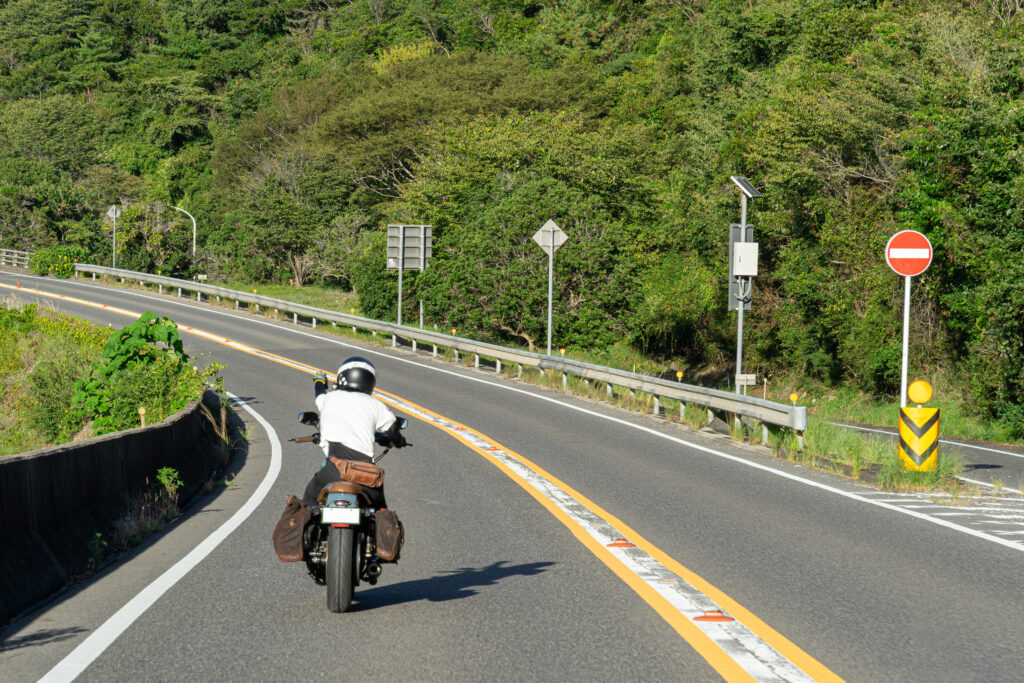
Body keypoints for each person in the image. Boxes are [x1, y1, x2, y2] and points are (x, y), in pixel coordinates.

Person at [301, 356, 406, 509]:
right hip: (365, 474)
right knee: (381, 511)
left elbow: (319, 394)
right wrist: (399, 441)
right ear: (370, 382)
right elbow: (393, 432)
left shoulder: (330, 398)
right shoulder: (377, 405)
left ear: (342, 378)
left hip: (332, 471)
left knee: (307, 503)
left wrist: (319, 381)